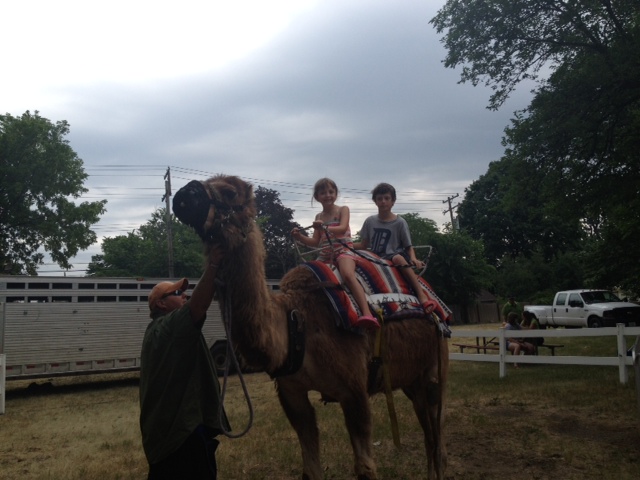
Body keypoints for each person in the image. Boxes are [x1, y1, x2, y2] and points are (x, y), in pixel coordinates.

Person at [139, 246, 230, 480]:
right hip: (180, 434)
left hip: (165, 433)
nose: (184, 295)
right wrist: (213, 264)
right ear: (161, 304)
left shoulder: (158, 329)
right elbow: (197, 306)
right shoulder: (169, 326)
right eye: (177, 293)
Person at [291, 177, 379, 329]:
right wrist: (299, 236)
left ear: (336, 194)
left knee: (347, 274)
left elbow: (343, 228)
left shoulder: (342, 209)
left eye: (331, 192)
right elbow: (315, 242)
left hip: (343, 251)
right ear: (317, 197)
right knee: (307, 276)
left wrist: (324, 227)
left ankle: (367, 313)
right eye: (323, 193)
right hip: (325, 254)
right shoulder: (318, 217)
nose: (328, 195)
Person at [354, 182, 436, 315]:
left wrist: (413, 258)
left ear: (393, 201)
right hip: (374, 257)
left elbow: (408, 247)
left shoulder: (400, 222)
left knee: (398, 258)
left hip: (394, 255)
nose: (383, 201)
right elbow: (363, 245)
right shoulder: (370, 221)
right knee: (354, 259)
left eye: (387, 198)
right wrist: (344, 243)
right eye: (380, 199)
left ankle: (420, 294)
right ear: (375, 201)